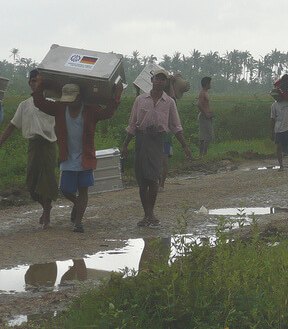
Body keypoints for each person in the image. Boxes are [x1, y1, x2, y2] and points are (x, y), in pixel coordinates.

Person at [33, 78, 123, 233]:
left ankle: (78, 222)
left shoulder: (91, 109)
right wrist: (40, 85)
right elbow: (39, 103)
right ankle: (76, 203)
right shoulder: (60, 108)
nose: (69, 102)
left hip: (85, 157)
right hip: (67, 157)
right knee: (66, 190)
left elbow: (108, 113)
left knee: (83, 190)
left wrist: (117, 96)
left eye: (72, 99)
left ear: (80, 97)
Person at [122, 69, 193, 228]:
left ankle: (150, 213)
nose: (160, 82)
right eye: (157, 79)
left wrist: (185, 146)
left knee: (153, 178)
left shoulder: (169, 102)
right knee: (142, 180)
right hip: (141, 139)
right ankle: (146, 214)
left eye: (163, 80)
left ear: (167, 83)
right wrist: (125, 145)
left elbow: (176, 127)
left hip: (157, 140)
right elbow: (133, 124)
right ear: (152, 80)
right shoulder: (140, 100)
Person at [0, 69, 57, 229]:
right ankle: (46, 207)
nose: (36, 84)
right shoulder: (24, 105)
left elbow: (60, 128)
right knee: (32, 182)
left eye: (39, 81)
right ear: (29, 84)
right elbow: (12, 126)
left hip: (49, 145)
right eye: (33, 81)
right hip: (34, 145)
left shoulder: (52, 103)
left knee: (47, 179)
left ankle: (46, 216)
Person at [197, 77, 214, 157]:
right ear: (207, 84)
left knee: (207, 135)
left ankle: (204, 154)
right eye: (210, 83)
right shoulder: (202, 93)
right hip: (204, 116)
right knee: (203, 136)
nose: (211, 85)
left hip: (207, 116)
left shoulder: (205, 93)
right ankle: (202, 154)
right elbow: (199, 105)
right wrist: (205, 113)